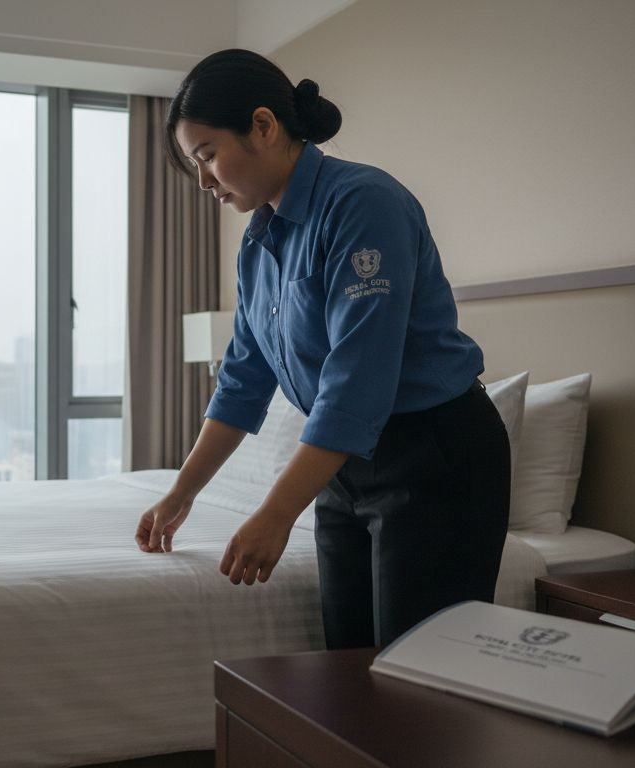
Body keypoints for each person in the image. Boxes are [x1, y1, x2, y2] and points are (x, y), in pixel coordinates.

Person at [134, 49, 511, 650]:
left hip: (432, 456)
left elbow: (356, 385)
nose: (203, 180)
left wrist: (276, 513)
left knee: (421, 682)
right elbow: (241, 382)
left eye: (207, 156)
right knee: (351, 667)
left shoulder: (364, 204)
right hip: (341, 469)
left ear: (263, 125)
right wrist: (181, 494)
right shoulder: (258, 244)